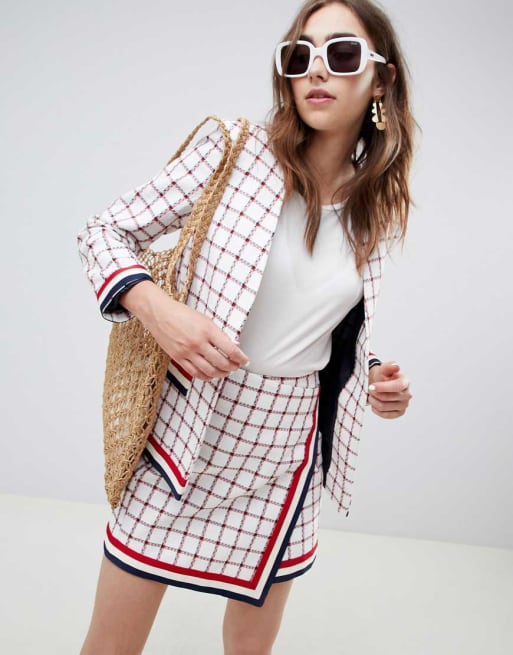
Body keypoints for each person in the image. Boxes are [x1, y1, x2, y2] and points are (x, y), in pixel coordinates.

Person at [77, 0, 415, 652]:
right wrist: (159, 311)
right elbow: (104, 231)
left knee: (251, 646)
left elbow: (328, 321)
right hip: (194, 425)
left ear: (381, 79)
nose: (315, 70)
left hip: (288, 445)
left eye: (341, 54)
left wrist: (376, 375)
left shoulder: (377, 203)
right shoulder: (235, 153)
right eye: (299, 55)